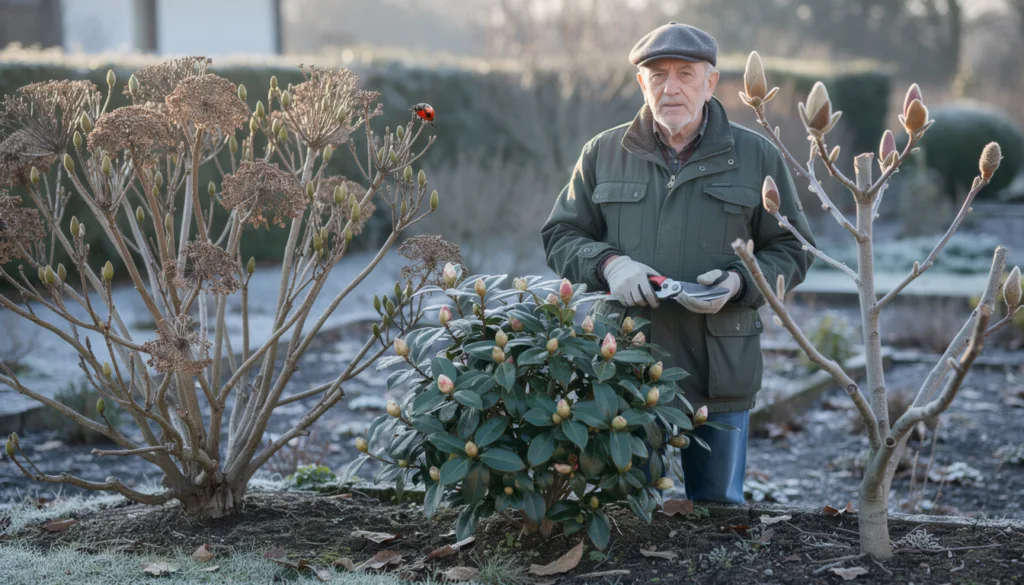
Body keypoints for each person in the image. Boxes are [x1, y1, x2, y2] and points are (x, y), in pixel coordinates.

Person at [541, 22, 816, 503]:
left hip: (720, 366)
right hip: (625, 360)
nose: (671, 88)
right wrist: (608, 265)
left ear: (711, 82)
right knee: (627, 507)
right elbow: (560, 235)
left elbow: (793, 248)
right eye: (658, 75)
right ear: (641, 83)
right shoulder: (603, 154)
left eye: (686, 74)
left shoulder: (757, 157)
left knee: (718, 510)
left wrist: (738, 282)